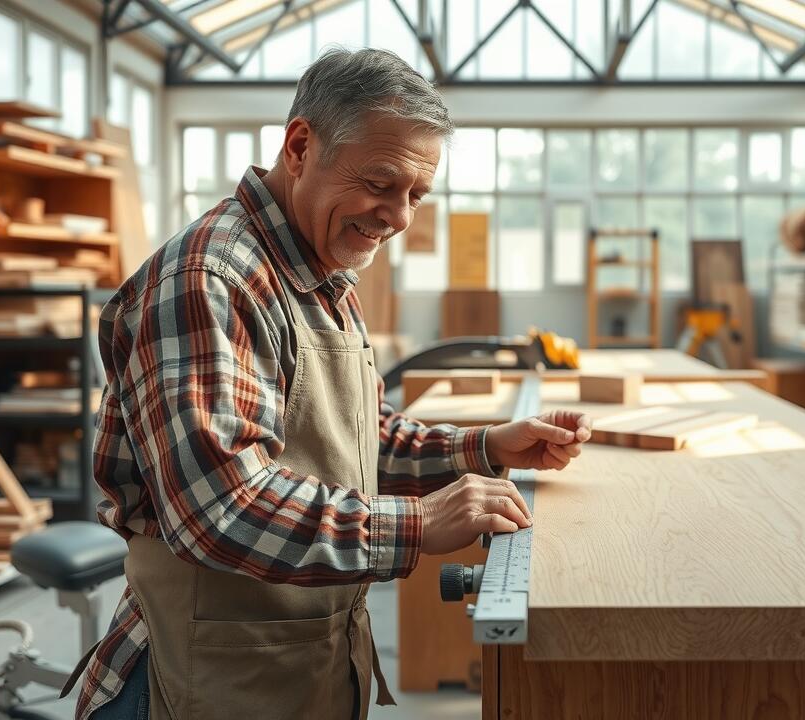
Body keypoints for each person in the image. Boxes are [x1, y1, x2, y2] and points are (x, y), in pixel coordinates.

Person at [70, 48, 592, 720]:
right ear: (299, 146)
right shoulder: (213, 281)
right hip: (203, 677)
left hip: (295, 662)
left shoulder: (320, 273)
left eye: (416, 195)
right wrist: (419, 523)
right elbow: (220, 509)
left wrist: (485, 446)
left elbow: (357, 441)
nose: (400, 216)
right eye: (381, 183)